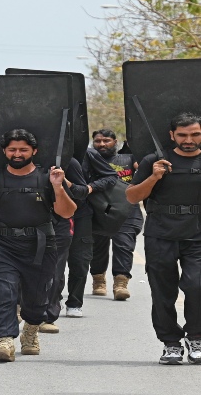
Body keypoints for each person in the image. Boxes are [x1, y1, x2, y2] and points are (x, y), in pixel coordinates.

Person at [0, 129, 76, 362]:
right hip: (2, 245)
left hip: (40, 246)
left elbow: (67, 212)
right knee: (4, 291)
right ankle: (4, 340)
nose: (17, 154)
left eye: (23, 149)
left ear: (34, 151)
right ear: (4, 151)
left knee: (37, 299)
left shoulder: (48, 178)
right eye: (12, 149)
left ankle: (31, 330)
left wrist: (58, 187)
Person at [126, 112, 201, 365]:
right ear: (172, 136)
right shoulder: (154, 161)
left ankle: (196, 337)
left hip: (197, 236)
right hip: (161, 234)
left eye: (195, 134)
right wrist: (154, 176)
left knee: (197, 285)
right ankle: (171, 343)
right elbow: (132, 197)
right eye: (182, 135)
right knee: (162, 292)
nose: (188, 139)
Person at [89, 129, 143, 300]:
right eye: (98, 141)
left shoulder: (128, 158)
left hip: (127, 210)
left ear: (115, 141)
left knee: (124, 245)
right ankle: (98, 280)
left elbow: (142, 171)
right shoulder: (88, 160)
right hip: (99, 211)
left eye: (106, 140)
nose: (102, 144)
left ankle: (120, 284)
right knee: (97, 248)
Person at [40, 157, 88, 333]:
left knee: (55, 271)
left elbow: (82, 191)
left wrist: (63, 183)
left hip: (59, 223)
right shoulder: (14, 159)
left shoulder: (68, 162)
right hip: (23, 222)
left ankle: (47, 316)